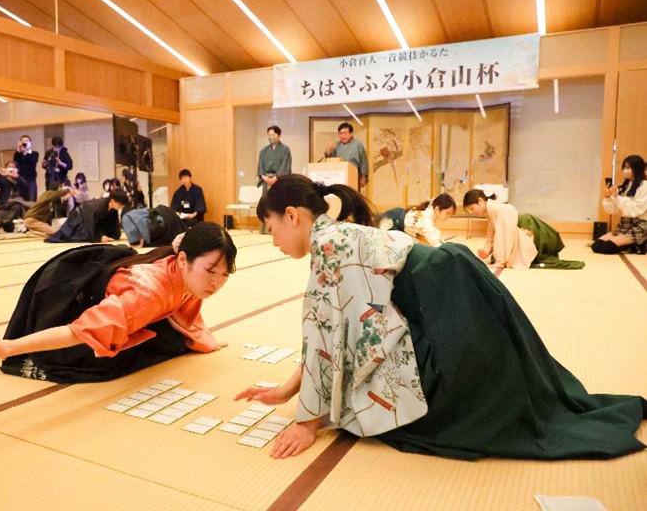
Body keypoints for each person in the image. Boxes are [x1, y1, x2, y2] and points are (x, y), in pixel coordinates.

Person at [234, 174, 644, 461]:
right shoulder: (336, 234)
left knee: (399, 417)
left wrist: (307, 422)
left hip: (452, 311)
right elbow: (331, 334)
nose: (273, 241)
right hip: (458, 293)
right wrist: (289, 390)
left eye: (270, 227)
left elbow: (326, 338)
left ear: (292, 215)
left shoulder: (329, 244)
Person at [0, 223, 235, 383]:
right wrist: (11, 347)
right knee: (106, 365)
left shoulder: (184, 275)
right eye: (211, 271)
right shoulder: (148, 293)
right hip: (76, 302)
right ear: (183, 259)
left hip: (120, 295)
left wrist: (204, 341)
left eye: (224, 275)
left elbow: (186, 312)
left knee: (171, 343)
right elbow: (79, 330)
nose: (216, 283)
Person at [463, 189, 584, 269]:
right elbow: (492, 235)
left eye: (472, 208)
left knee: (510, 257)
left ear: (480, 201)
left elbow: (503, 236)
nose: (472, 212)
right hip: (523, 228)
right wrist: (486, 251)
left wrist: (500, 261)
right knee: (498, 255)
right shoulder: (491, 211)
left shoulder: (499, 209)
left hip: (530, 229)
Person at [593, 155, 647, 255]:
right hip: (624, 225)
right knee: (596, 246)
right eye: (624, 167)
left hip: (639, 225)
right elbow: (613, 210)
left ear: (637, 169)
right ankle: (632, 245)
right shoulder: (624, 186)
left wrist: (617, 197)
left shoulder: (645, 186)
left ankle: (638, 242)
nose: (625, 171)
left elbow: (636, 210)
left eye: (628, 168)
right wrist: (608, 197)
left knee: (607, 247)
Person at [376, 194, 456, 247]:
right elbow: (435, 243)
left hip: (397, 218)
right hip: (391, 221)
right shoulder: (426, 221)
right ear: (437, 209)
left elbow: (434, 199)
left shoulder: (432, 207)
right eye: (447, 213)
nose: (448, 216)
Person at [46, 190, 127, 243]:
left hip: (89, 218)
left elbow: (113, 224)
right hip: (80, 217)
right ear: (112, 201)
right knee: (84, 236)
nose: (121, 207)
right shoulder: (98, 208)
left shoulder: (113, 208)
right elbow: (91, 224)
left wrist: (116, 235)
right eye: (120, 204)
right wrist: (99, 237)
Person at [257, 125, 292, 234]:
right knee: (266, 204)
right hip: (266, 180)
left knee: (279, 204)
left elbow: (285, 166)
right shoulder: (264, 151)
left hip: (279, 181)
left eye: (273, 135)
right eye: (269, 135)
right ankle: (266, 228)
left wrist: (276, 177)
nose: (271, 137)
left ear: (279, 135)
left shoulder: (285, 149)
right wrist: (264, 177)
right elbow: (260, 166)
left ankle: (280, 228)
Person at [323, 123, 369, 190]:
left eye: (344, 133)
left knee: (353, 193)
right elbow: (331, 160)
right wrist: (328, 151)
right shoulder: (336, 145)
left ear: (351, 133)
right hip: (339, 175)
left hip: (354, 174)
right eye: (340, 133)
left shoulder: (358, 144)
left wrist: (363, 176)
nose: (342, 136)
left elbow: (364, 161)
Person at [13, 135, 39, 201]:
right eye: (23, 141)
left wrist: (25, 152)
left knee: (32, 198)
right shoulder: (18, 154)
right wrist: (18, 150)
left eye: (27, 141)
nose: (25, 142)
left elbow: (32, 162)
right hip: (20, 179)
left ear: (30, 142)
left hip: (31, 179)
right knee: (21, 199)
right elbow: (15, 163)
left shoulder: (34, 153)